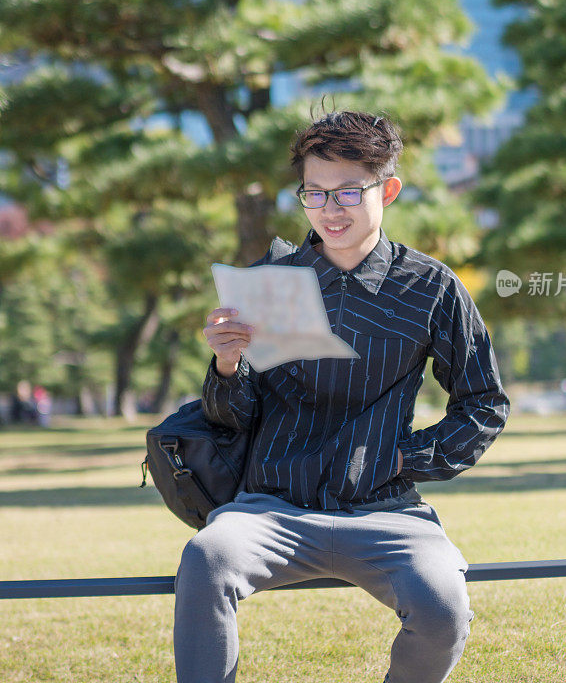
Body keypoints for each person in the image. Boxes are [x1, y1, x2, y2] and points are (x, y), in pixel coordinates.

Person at [174, 110, 510, 683]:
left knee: (442, 607)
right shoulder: (271, 280)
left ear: (389, 190)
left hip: (387, 512)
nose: (331, 209)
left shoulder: (431, 288)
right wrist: (227, 364)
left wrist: (406, 458)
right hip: (270, 508)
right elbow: (233, 416)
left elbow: (484, 403)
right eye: (315, 193)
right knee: (207, 558)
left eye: (349, 192)